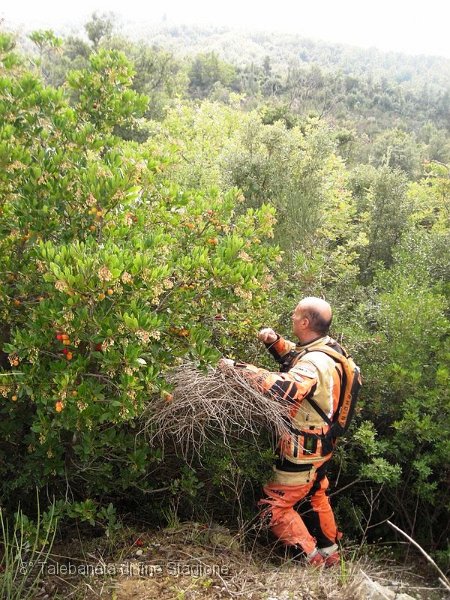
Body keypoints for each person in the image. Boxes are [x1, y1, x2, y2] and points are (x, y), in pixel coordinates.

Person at [219, 296, 347, 567]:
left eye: (295, 314)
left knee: (272, 507)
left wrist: (238, 369)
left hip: (303, 449)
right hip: (324, 444)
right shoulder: (329, 349)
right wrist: (274, 342)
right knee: (316, 494)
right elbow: (299, 355)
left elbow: (284, 388)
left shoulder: (314, 363)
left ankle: (311, 560)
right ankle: (331, 555)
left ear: (305, 322)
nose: (291, 316)